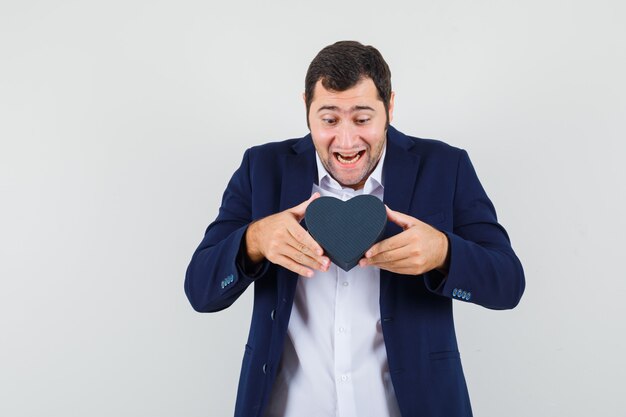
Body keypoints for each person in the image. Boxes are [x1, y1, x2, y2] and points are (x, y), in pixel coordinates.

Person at [185, 40, 525, 417]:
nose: (346, 141)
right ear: (306, 109)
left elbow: (508, 284)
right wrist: (252, 241)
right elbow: (200, 290)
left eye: (363, 119)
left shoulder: (446, 167)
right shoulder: (261, 168)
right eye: (329, 120)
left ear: (389, 107)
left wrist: (444, 253)